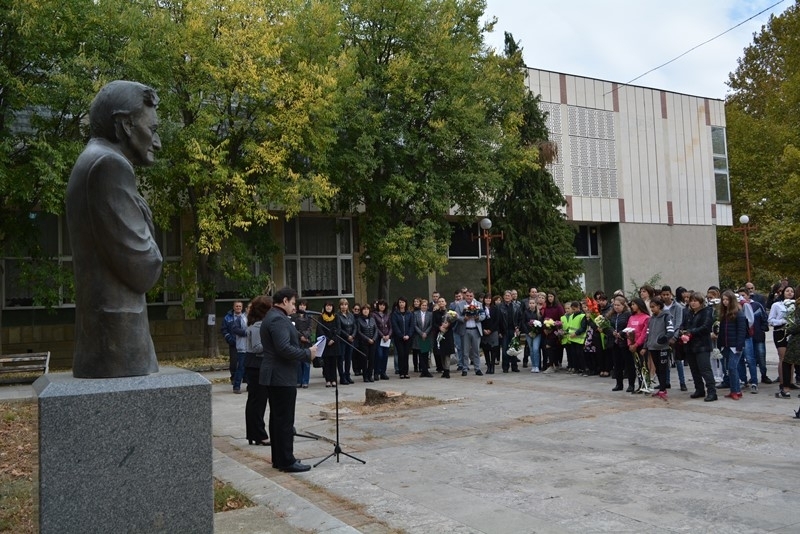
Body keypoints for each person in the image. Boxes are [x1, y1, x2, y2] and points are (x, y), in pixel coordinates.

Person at [66, 80, 163, 378]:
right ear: (125, 125)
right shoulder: (109, 166)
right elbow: (144, 269)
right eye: (152, 129)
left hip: (105, 337)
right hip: (118, 342)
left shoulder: (92, 160)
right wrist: (146, 219)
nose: (157, 142)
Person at [259, 287, 317, 473]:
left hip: (277, 375)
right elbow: (283, 348)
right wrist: (307, 354)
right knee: (284, 420)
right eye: (292, 302)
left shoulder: (274, 316)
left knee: (277, 419)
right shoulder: (277, 319)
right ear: (284, 301)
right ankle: (286, 460)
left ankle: (279, 458)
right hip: (280, 376)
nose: (294, 306)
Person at [244, 295, 272, 446]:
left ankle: (254, 434)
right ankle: (259, 434)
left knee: (256, 400)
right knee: (258, 401)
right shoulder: (257, 326)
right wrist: (271, 344)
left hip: (257, 364)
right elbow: (256, 347)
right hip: (256, 364)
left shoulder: (258, 325)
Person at [681, 291, 717, 402]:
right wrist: (682, 332)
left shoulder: (707, 311)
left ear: (701, 302)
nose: (693, 303)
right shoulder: (688, 313)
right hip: (690, 345)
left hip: (702, 345)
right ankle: (699, 389)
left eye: (695, 301)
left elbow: (706, 327)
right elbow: (683, 325)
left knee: (705, 369)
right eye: (691, 301)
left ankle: (712, 392)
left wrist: (691, 332)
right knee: (694, 369)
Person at [713, 290, 746, 400]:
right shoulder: (724, 314)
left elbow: (742, 331)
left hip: (735, 346)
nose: (725, 302)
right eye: (723, 299)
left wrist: (739, 346)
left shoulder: (738, 313)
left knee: (732, 367)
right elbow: (722, 331)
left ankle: (735, 390)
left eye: (727, 299)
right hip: (726, 345)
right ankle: (735, 390)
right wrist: (719, 345)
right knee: (729, 368)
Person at [644, 297, 674, 400]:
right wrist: (646, 345)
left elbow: (670, 331)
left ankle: (663, 389)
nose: (652, 309)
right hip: (652, 347)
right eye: (650, 307)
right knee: (657, 368)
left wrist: (663, 339)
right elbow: (648, 333)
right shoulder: (651, 319)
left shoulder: (666, 316)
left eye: (653, 307)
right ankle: (662, 388)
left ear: (659, 306)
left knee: (662, 368)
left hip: (662, 348)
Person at [768, 285, 796, 390]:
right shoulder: (777, 305)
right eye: (787, 290)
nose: (790, 292)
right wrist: (782, 321)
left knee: (791, 358)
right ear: (783, 292)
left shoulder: (796, 304)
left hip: (792, 332)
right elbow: (771, 320)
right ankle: (783, 382)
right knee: (783, 358)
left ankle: (790, 381)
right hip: (780, 332)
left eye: (792, 291)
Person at [605, 296, 632, 392]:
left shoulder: (627, 314)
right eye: (615, 305)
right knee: (617, 364)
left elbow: (629, 326)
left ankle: (631, 384)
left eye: (618, 305)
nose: (616, 307)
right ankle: (619, 384)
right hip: (614, 342)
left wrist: (621, 333)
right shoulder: (611, 315)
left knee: (628, 363)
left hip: (624, 341)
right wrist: (612, 332)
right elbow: (607, 325)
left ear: (623, 305)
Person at [455, 288, 485, 376]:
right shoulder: (460, 305)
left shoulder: (478, 304)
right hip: (465, 330)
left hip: (475, 329)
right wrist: (463, 319)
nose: (469, 297)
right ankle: (465, 369)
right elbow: (456, 316)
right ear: (465, 296)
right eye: (467, 295)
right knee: (465, 351)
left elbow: (483, 315)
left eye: (470, 296)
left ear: (473, 296)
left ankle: (477, 368)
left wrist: (478, 318)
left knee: (476, 351)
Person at [222, 301, 245, 386]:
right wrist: (229, 339)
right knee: (234, 362)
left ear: (242, 307)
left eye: (240, 306)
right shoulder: (227, 318)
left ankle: (244, 378)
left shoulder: (245, 317)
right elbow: (224, 330)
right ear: (233, 307)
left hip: (244, 343)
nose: (238, 308)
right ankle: (233, 378)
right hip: (233, 343)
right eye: (236, 306)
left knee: (244, 362)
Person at [316, 302, 338, 387]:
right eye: (327, 306)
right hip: (325, 343)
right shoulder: (321, 317)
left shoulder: (336, 317)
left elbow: (338, 329)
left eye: (330, 306)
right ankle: (328, 380)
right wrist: (328, 340)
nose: (329, 307)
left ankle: (334, 380)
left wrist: (333, 339)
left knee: (333, 362)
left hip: (334, 343)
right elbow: (320, 329)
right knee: (326, 362)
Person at [292, 299, 313, 388]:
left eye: (304, 305)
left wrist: (305, 336)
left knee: (306, 363)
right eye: (300, 305)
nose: (302, 307)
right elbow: (293, 329)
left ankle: (305, 381)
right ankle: (298, 381)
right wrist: (300, 336)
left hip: (307, 341)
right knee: (298, 362)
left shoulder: (309, 316)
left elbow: (310, 328)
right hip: (297, 341)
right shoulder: (293, 316)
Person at [391, 297, 414, 379]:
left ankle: (406, 372)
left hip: (408, 338)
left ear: (405, 303)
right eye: (400, 302)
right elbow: (395, 326)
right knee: (401, 354)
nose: (401, 304)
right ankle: (401, 372)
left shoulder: (409, 313)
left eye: (403, 302)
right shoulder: (395, 314)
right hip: (399, 338)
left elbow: (412, 325)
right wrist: (401, 335)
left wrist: (408, 335)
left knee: (406, 354)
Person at [355, 303, 379, 383]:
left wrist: (374, 339)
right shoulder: (359, 320)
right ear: (362, 311)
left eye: (367, 309)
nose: (366, 311)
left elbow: (376, 330)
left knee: (372, 360)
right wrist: (367, 339)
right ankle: (365, 376)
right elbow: (359, 331)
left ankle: (370, 375)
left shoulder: (372, 319)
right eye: (364, 309)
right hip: (364, 343)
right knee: (364, 360)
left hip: (373, 342)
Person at [335, 299, 356, 385]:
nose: (344, 306)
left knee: (348, 358)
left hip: (351, 340)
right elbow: (339, 328)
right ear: (339, 306)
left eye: (345, 305)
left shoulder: (351, 315)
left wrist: (352, 335)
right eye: (342, 305)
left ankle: (348, 375)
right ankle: (342, 377)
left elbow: (354, 326)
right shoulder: (337, 315)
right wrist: (347, 336)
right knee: (341, 359)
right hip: (342, 340)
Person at [480, 294, 501, 375]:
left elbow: (497, 320)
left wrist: (491, 330)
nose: (488, 300)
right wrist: (483, 330)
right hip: (484, 330)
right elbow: (479, 321)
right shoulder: (481, 308)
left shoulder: (495, 308)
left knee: (493, 349)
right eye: (486, 298)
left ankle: (492, 367)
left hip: (493, 330)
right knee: (486, 349)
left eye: (489, 298)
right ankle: (488, 366)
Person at [413, 299, 433, 377]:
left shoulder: (430, 314)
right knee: (420, 353)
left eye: (425, 305)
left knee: (426, 353)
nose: (424, 307)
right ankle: (423, 371)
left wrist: (425, 333)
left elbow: (430, 325)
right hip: (418, 336)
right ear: (420, 306)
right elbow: (415, 325)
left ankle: (426, 371)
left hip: (427, 336)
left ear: (427, 307)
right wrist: (421, 333)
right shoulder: (415, 314)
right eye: (422, 305)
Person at [373, 299, 393, 380]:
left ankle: (383, 372)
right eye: (380, 305)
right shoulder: (374, 315)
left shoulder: (387, 315)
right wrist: (382, 335)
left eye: (384, 305)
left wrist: (388, 335)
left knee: (385, 356)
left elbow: (390, 327)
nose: (382, 306)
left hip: (387, 338)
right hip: (379, 338)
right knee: (379, 355)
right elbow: (375, 327)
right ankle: (376, 372)